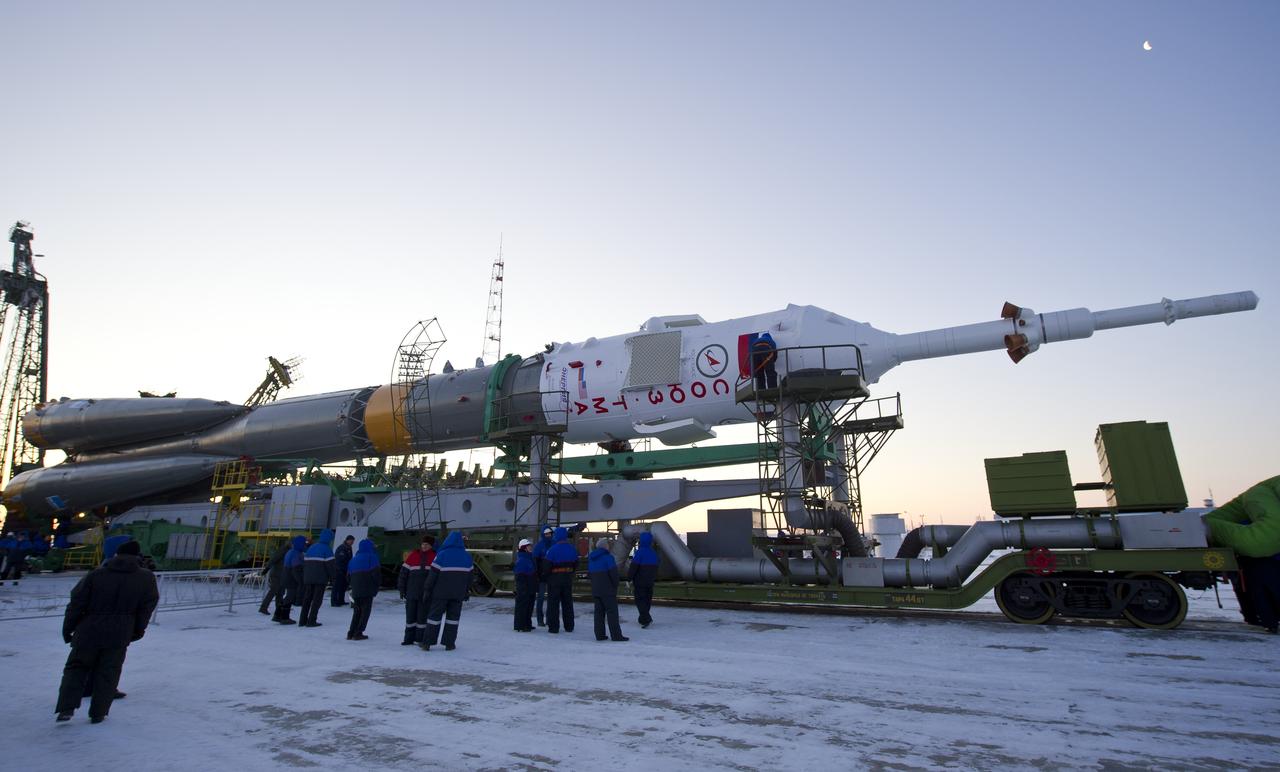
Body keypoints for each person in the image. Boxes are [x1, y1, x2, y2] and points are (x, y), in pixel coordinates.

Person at [55, 540, 159, 723]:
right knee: (109, 671)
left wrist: (68, 627)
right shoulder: (146, 578)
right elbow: (146, 607)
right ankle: (98, 713)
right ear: (138, 556)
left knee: (76, 668)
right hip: (121, 631)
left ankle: (66, 708)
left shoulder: (96, 574)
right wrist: (137, 630)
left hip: (88, 629)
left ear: (116, 555)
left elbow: (77, 602)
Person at [419, 532, 473, 651]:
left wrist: (427, 589)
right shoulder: (467, 556)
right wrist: (466, 591)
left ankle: (427, 643)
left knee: (434, 617)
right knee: (453, 619)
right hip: (458, 594)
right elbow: (470, 577)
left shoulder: (441, 555)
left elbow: (432, 575)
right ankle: (449, 643)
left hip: (440, 593)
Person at [397, 535, 436, 645]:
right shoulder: (413, 555)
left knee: (422, 617)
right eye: (423, 544)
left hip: (426, 594)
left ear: (431, 546)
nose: (424, 546)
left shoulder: (435, 557)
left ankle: (420, 639)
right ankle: (408, 639)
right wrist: (401, 587)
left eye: (427, 545)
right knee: (410, 616)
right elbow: (403, 573)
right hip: (411, 592)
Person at [588, 537, 628, 642]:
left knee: (598, 613)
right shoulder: (608, 558)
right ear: (606, 547)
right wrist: (615, 585)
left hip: (596, 589)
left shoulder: (591, 559)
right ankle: (616, 635)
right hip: (608, 590)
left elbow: (590, 575)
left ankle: (599, 635)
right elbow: (614, 575)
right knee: (612, 613)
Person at [543, 527, 579, 634]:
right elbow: (576, 564)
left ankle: (553, 627)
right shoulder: (572, 549)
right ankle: (569, 626)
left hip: (554, 579)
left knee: (553, 603)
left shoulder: (552, 549)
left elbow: (546, 566)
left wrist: (547, 576)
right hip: (567, 578)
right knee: (567, 603)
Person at [298, 529, 335, 627]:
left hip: (308, 578)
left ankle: (302, 620)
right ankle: (311, 620)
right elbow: (331, 566)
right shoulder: (327, 549)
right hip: (320, 579)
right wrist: (333, 579)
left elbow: (304, 563)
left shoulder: (311, 548)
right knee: (317, 600)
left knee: (307, 599)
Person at [345, 539, 380, 640]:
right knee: (365, 611)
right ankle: (358, 632)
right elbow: (376, 574)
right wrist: (376, 587)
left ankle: (351, 632)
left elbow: (348, 576)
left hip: (356, 588)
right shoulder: (372, 557)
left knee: (357, 611)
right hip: (367, 587)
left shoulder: (354, 559)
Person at [627, 531, 660, 628]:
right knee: (647, 600)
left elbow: (634, 567)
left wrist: (629, 578)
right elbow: (658, 565)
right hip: (650, 581)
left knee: (640, 600)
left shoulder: (639, 553)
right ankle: (643, 618)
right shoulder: (653, 553)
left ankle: (646, 619)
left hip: (640, 581)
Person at [274, 535, 309, 625]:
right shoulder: (296, 554)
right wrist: (300, 581)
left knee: (287, 597)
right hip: (291, 578)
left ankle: (277, 615)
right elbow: (296, 568)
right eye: (305, 543)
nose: (306, 545)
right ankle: (284, 617)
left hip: (286, 576)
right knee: (290, 597)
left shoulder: (291, 552)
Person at [258, 540, 291, 616]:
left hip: (281, 574)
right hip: (277, 574)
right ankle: (264, 607)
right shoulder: (283, 551)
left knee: (280, 592)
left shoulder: (285, 550)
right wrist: (267, 569)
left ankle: (278, 608)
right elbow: (273, 559)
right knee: (274, 591)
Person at [531, 525, 555, 626]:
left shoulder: (554, 544)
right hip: (542, 576)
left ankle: (549, 620)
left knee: (551, 598)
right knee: (540, 598)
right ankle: (540, 620)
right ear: (543, 534)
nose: (548, 535)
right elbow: (535, 560)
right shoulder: (539, 546)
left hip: (551, 576)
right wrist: (538, 574)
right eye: (546, 533)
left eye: (549, 533)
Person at [512, 538, 537, 632]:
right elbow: (520, 577)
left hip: (529, 586)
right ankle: (521, 625)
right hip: (524, 588)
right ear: (524, 548)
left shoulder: (528, 558)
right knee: (523, 605)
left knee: (529, 606)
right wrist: (523, 589)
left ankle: (527, 624)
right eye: (529, 546)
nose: (531, 547)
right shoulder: (522, 560)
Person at [332, 534, 355, 607]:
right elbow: (340, 559)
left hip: (345, 570)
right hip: (339, 570)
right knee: (337, 586)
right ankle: (334, 601)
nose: (352, 542)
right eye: (351, 541)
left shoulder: (349, 548)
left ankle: (340, 600)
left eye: (353, 541)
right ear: (347, 540)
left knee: (343, 586)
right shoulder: (342, 548)